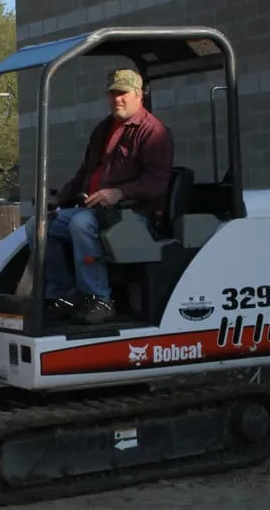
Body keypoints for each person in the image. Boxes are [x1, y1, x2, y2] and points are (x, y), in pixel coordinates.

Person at [25, 68, 174, 324]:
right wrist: (59, 198)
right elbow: (85, 172)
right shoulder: (103, 129)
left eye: (123, 93)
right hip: (95, 209)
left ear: (139, 95)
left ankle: (100, 299)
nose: (117, 98)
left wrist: (119, 193)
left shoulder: (154, 132)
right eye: (113, 93)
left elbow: (156, 183)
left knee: (81, 224)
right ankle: (63, 295)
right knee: (37, 227)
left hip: (134, 214)